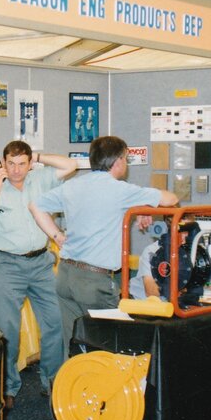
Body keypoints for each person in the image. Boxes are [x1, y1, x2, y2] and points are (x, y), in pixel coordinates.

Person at [30, 135, 178, 347]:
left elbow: (35, 206)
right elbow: (170, 199)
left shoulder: (74, 186)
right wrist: (149, 204)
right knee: (108, 348)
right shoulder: (118, 189)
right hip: (94, 282)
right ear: (117, 161)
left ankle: (70, 381)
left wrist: (56, 236)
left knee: (73, 344)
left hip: (65, 276)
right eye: (125, 159)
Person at [0, 141, 76, 410]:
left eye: (22, 163)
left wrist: (39, 155)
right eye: (11, 163)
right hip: (7, 266)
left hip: (40, 263)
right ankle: (7, 387)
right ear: (3, 163)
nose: (16, 170)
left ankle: (52, 380)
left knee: (55, 323)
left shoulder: (40, 179)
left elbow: (71, 164)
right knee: (8, 331)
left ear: (30, 164)